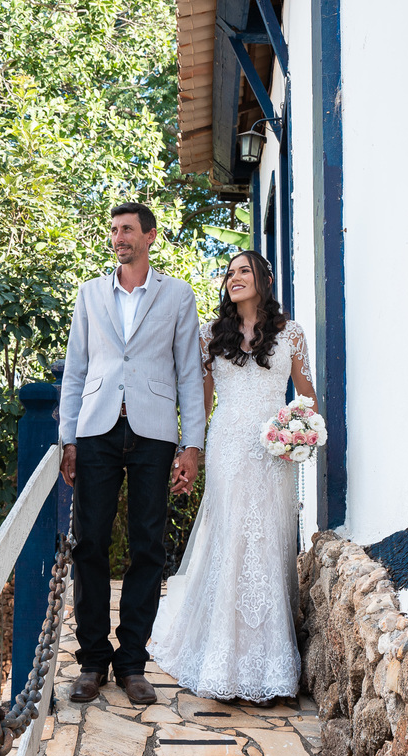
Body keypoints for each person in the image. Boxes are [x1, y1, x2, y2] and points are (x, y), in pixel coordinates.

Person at [149, 249, 317, 705]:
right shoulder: (211, 335)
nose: (233, 278)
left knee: (266, 539)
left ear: (264, 277)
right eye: (228, 273)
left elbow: (306, 397)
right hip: (227, 445)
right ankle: (220, 656)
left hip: (271, 449)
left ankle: (269, 662)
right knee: (232, 536)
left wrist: (298, 431)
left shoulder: (291, 333)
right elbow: (201, 402)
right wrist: (191, 452)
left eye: (243, 271)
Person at [58, 202, 207, 705]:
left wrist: (193, 444)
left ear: (150, 236)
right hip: (97, 428)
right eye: (115, 230)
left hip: (154, 430)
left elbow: (189, 371)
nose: (119, 237)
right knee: (91, 544)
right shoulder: (89, 295)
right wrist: (67, 439)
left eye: (127, 230)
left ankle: (133, 663)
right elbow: (75, 370)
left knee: (147, 545)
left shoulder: (178, 295)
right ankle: (93, 661)